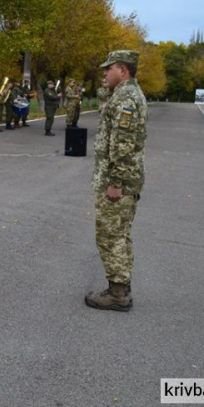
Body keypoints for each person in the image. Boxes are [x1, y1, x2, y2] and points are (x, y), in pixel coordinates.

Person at [85, 50, 147, 312]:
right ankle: (122, 286)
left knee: (110, 236)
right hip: (123, 179)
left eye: (107, 69)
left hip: (118, 182)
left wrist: (116, 182)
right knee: (120, 235)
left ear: (122, 69)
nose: (103, 73)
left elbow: (122, 143)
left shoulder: (127, 98)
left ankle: (118, 293)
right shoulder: (123, 94)